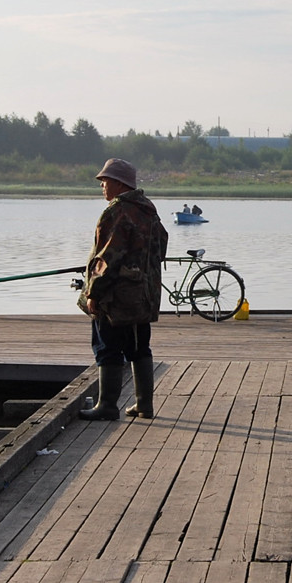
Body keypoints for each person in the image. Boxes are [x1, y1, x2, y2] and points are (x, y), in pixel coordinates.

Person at [79, 158, 169, 419]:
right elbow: (161, 246)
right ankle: (144, 404)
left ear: (119, 183)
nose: (102, 187)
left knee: (107, 346)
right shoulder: (148, 210)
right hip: (144, 295)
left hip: (116, 298)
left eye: (105, 181)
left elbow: (107, 257)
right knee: (139, 346)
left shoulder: (117, 212)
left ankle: (106, 406)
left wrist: (93, 292)